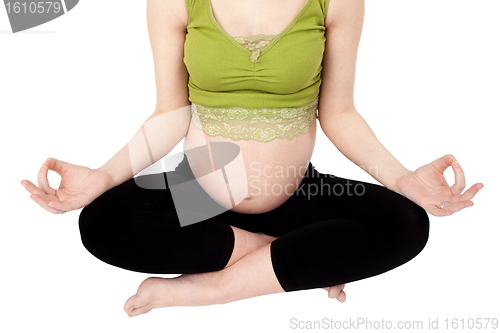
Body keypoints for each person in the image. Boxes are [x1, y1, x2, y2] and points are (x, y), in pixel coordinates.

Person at [20, 0, 483, 318]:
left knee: (406, 223)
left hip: (297, 194)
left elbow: (338, 113)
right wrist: (102, 176)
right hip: (198, 193)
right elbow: (169, 114)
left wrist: (404, 180)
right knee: (103, 222)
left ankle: (209, 289)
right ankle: (293, 259)